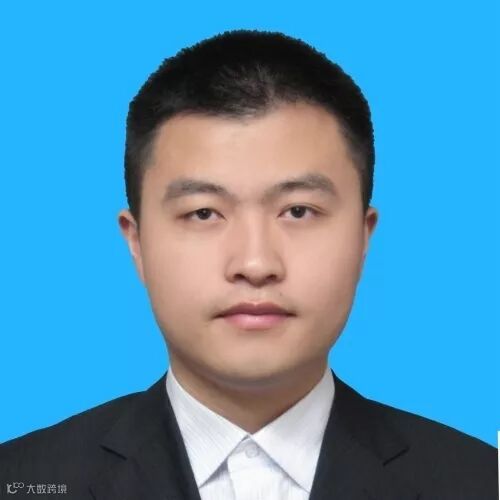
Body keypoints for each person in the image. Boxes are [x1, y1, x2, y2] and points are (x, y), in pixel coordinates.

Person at [0, 29, 496, 500]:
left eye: (298, 211)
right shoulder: (22, 480)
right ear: (137, 241)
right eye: (203, 213)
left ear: (363, 236)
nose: (255, 264)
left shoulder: (480, 482)